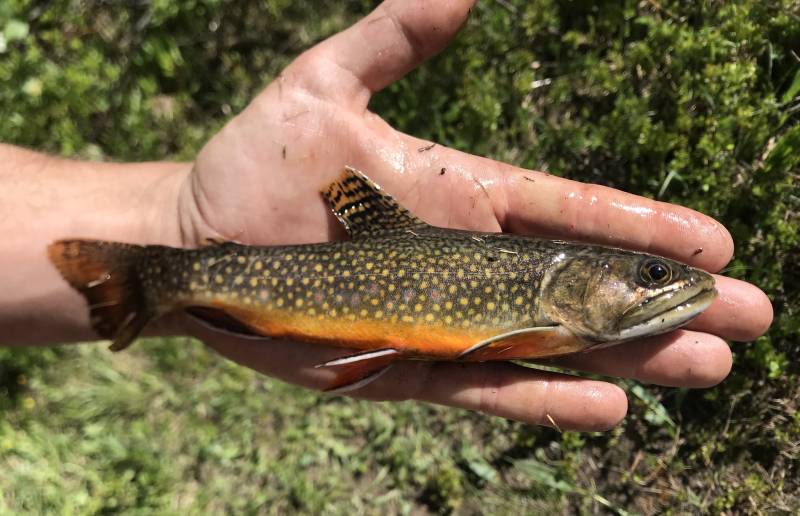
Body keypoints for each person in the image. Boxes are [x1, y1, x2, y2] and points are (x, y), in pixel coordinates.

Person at [0, 0, 772, 431]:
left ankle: (159, 279)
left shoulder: (552, 310)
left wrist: (173, 217)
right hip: (289, 279)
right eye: (649, 276)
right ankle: (157, 279)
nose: (663, 284)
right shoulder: (547, 313)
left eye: (654, 277)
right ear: (588, 278)